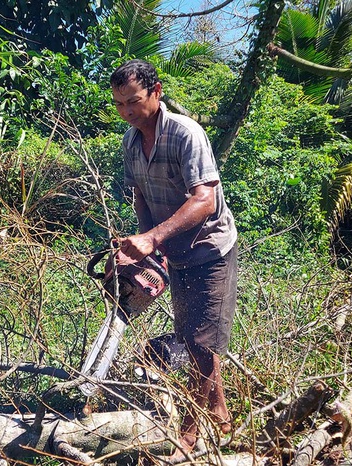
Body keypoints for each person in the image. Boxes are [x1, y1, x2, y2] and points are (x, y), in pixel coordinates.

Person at [109, 59, 238, 456]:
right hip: (174, 249)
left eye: (134, 101)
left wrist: (152, 238)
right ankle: (220, 413)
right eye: (119, 104)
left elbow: (205, 200)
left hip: (210, 249)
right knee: (190, 337)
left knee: (201, 342)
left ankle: (192, 428)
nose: (128, 111)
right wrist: (144, 249)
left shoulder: (186, 134)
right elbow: (142, 198)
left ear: (156, 92)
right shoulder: (131, 142)